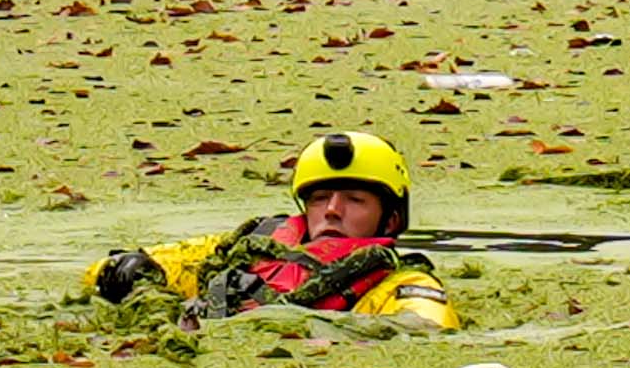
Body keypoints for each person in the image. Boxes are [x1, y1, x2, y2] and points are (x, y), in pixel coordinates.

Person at [85, 131, 459, 329]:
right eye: (320, 197)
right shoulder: (251, 249)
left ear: (390, 220)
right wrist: (127, 273)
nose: (332, 210)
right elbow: (109, 270)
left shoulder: (400, 285)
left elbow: (427, 329)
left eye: (354, 199)